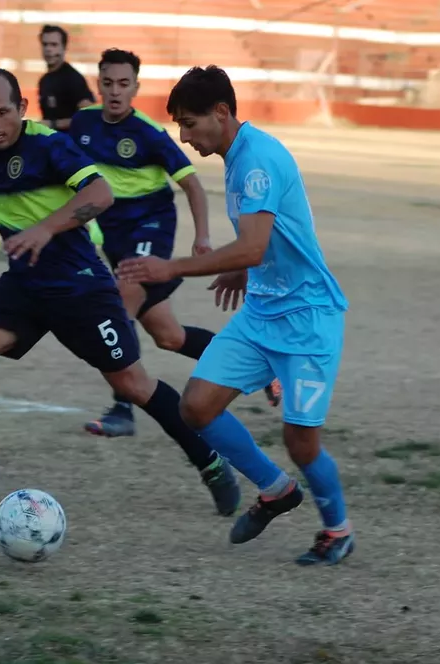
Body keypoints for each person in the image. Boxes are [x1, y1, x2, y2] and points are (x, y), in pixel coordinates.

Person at [0, 67, 241, 517]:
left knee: (133, 384)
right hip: (25, 283)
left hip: (80, 287)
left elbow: (101, 191)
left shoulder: (50, 146)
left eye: (1, 112)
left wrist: (45, 229)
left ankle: (209, 462)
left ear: (22, 108)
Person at [116, 65, 355, 566]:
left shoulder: (256, 161)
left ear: (221, 113)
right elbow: (273, 236)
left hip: (308, 318)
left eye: (190, 123)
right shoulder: (237, 153)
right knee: (197, 407)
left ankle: (338, 531)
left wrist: (171, 267)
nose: (184, 137)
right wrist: (248, 272)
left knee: (301, 440)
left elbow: (253, 245)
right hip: (264, 310)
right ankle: (276, 490)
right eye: (179, 125)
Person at [68, 48, 281, 438]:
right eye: (108, 83)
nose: (115, 92)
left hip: (150, 230)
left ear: (135, 87)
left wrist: (202, 237)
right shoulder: (81, 124)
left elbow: (193, 185)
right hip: (113, 237)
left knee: (119, 304)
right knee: (169, 336)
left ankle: (122, 410)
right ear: (97, 84)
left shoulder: (149, 133)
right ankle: (259, 364)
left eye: (123, 84)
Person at [37, 25, 95, 132]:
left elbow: (90, 116)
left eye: (54, 45)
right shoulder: (44, 80)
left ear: (64, 48)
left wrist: (53, 124)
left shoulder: (73, 79)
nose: (48, 49)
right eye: (45, 44)